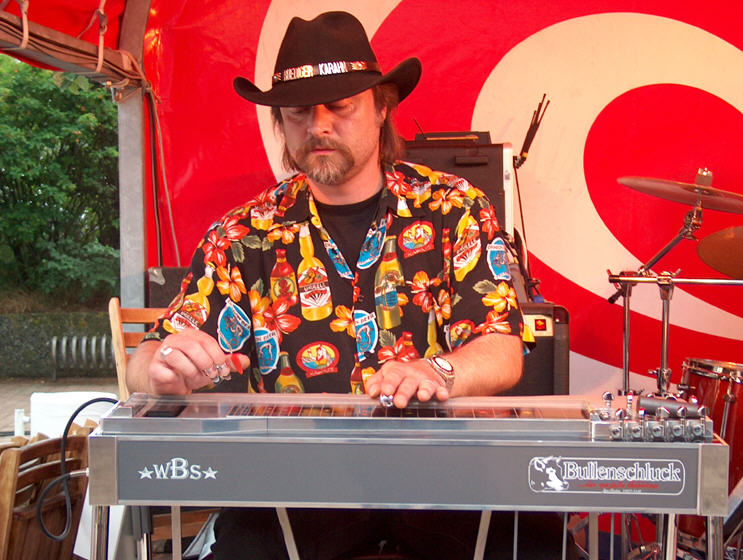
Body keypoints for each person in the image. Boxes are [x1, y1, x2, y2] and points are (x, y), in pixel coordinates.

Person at [126, 11, 571, 560]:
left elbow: (502, 348)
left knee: (541, 547)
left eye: (339, 106)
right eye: (298, 111)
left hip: (446, 478)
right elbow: (147, 360)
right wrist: (163, 369)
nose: (318, 126)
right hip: (297, 489)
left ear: (382, 107)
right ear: (280, 122)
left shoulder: (454, 207)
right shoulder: (243, 234)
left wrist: (437, 371)